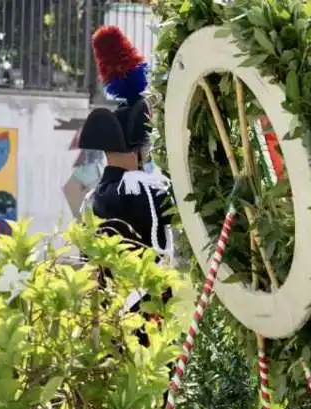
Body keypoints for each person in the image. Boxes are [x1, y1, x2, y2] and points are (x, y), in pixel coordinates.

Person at [77, 25, 174, 347]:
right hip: (147, 309)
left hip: (107, 316)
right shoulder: (145, 188)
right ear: (140, 148)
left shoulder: (91, 200)